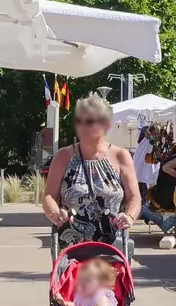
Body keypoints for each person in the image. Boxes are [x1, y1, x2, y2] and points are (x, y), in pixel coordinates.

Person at [42, 95, 139, 247]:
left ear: (106, 125)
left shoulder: (121, 156)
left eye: (89, 121)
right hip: (71, 247)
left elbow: (134, 197)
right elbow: (48, 196)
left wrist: (129, 217)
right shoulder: (63, 156)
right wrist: (55, 213)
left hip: (113, 245)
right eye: (79, 121)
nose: (83, 126)